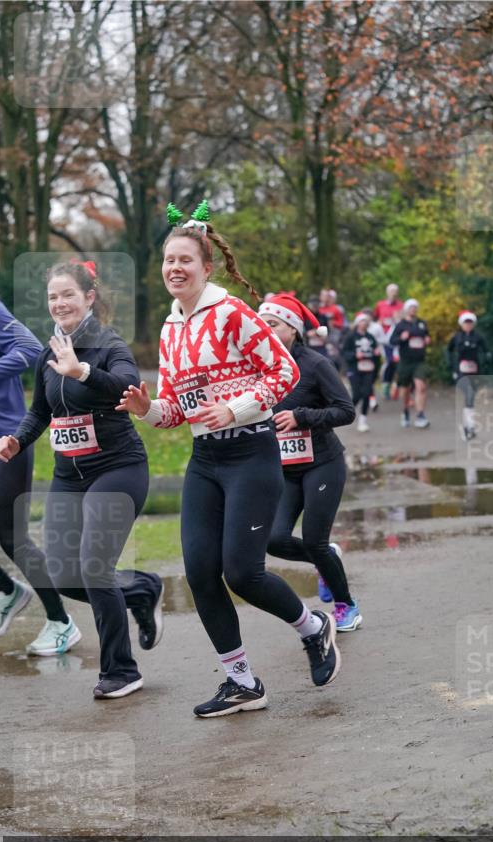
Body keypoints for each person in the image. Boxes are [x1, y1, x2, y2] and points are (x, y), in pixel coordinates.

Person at [117, 201, 342, 717]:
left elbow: (283, 372)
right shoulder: (171, 328)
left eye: (185, 261)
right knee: (199, 571)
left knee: (241, 572)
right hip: (205, 461)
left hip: (251, 454)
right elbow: (176, 410)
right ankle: (241, 682)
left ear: (206, 267)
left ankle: (314, 627)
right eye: (168, 261)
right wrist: (145, 409)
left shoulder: (232, 314)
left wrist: (236, 407)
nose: (175, 268)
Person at [0, 261, 164, 698]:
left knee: (93, 568)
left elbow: (128, 384)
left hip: (118, 468)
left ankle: (121, 670)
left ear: (89, 297)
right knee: (65, 574)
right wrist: (16, 440)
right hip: (70, 475)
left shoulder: (108, 344)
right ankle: (141, 590)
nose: (59, 304)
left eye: (68, 294)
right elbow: (40, 411)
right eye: (52, 297)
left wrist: (82, 371)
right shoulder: (52, 351)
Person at [0, 294, 81, 653]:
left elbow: (29, 347)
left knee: (13, 538)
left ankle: (61, 622)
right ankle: (7, 591)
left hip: (4, 437)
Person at [259, 293, 362, 632]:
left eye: (272, 324)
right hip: (286, 469)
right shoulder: (259, 366)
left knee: (314, 539)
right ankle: (325, 558)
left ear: (292, 329)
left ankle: (346, 605)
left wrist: (301, 416)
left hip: (323, 464)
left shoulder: (316, 365)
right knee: (274, 540)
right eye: (262, 324)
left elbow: (346, 411)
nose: (266, 330)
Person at [447, 310, 488, 441]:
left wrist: (487, 357)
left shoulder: (478, 337)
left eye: (470, 323)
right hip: (461, 372)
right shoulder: (456, 337)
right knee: (469, 394)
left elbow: (486, 350)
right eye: (466, 322)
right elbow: (448, 351)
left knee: (470, 398)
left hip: (474, 372)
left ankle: (468, 426)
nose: (468, 325)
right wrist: (451, 366)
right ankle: (469, 427)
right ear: (461, 324)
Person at [390, 298, 431, 428]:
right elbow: (392, 341)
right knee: (405, 389)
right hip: (406, 362)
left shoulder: (422, 323)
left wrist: (427, 339)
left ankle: (420, 415)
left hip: (420, 361)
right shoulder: (401, 325)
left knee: (421, 386)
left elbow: (426, 335)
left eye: (415, 307)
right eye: (411, 307)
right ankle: (405, 410)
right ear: (407, 309)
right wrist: (401, 338)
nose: (413, 309)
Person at [342, 313, 382, 433]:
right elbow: (344, 353)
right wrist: (355, 355)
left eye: (366, 321)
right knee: (357, 394)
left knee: (366, 394)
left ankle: (363, 421)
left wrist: (377, 353)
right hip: (354, 370)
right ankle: (347, 411)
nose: (364, 323)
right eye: (362, 321)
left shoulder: (371, 337)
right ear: (357, 323)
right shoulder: (351, 337)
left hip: (369, 370)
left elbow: (377, 354)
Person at [373, 283, 403, 398]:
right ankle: (385, 385)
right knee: (388, 362)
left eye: (395, 291)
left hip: (395, 339)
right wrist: (379, 323)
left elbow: (404, 320)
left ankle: (393, 386)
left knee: (396, 363)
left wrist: (398, 319)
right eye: (391, 291)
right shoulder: (380, 305)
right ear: (387, 293)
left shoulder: (401, 305)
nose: (394, 294)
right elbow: (375, 318)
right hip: (383, 339)